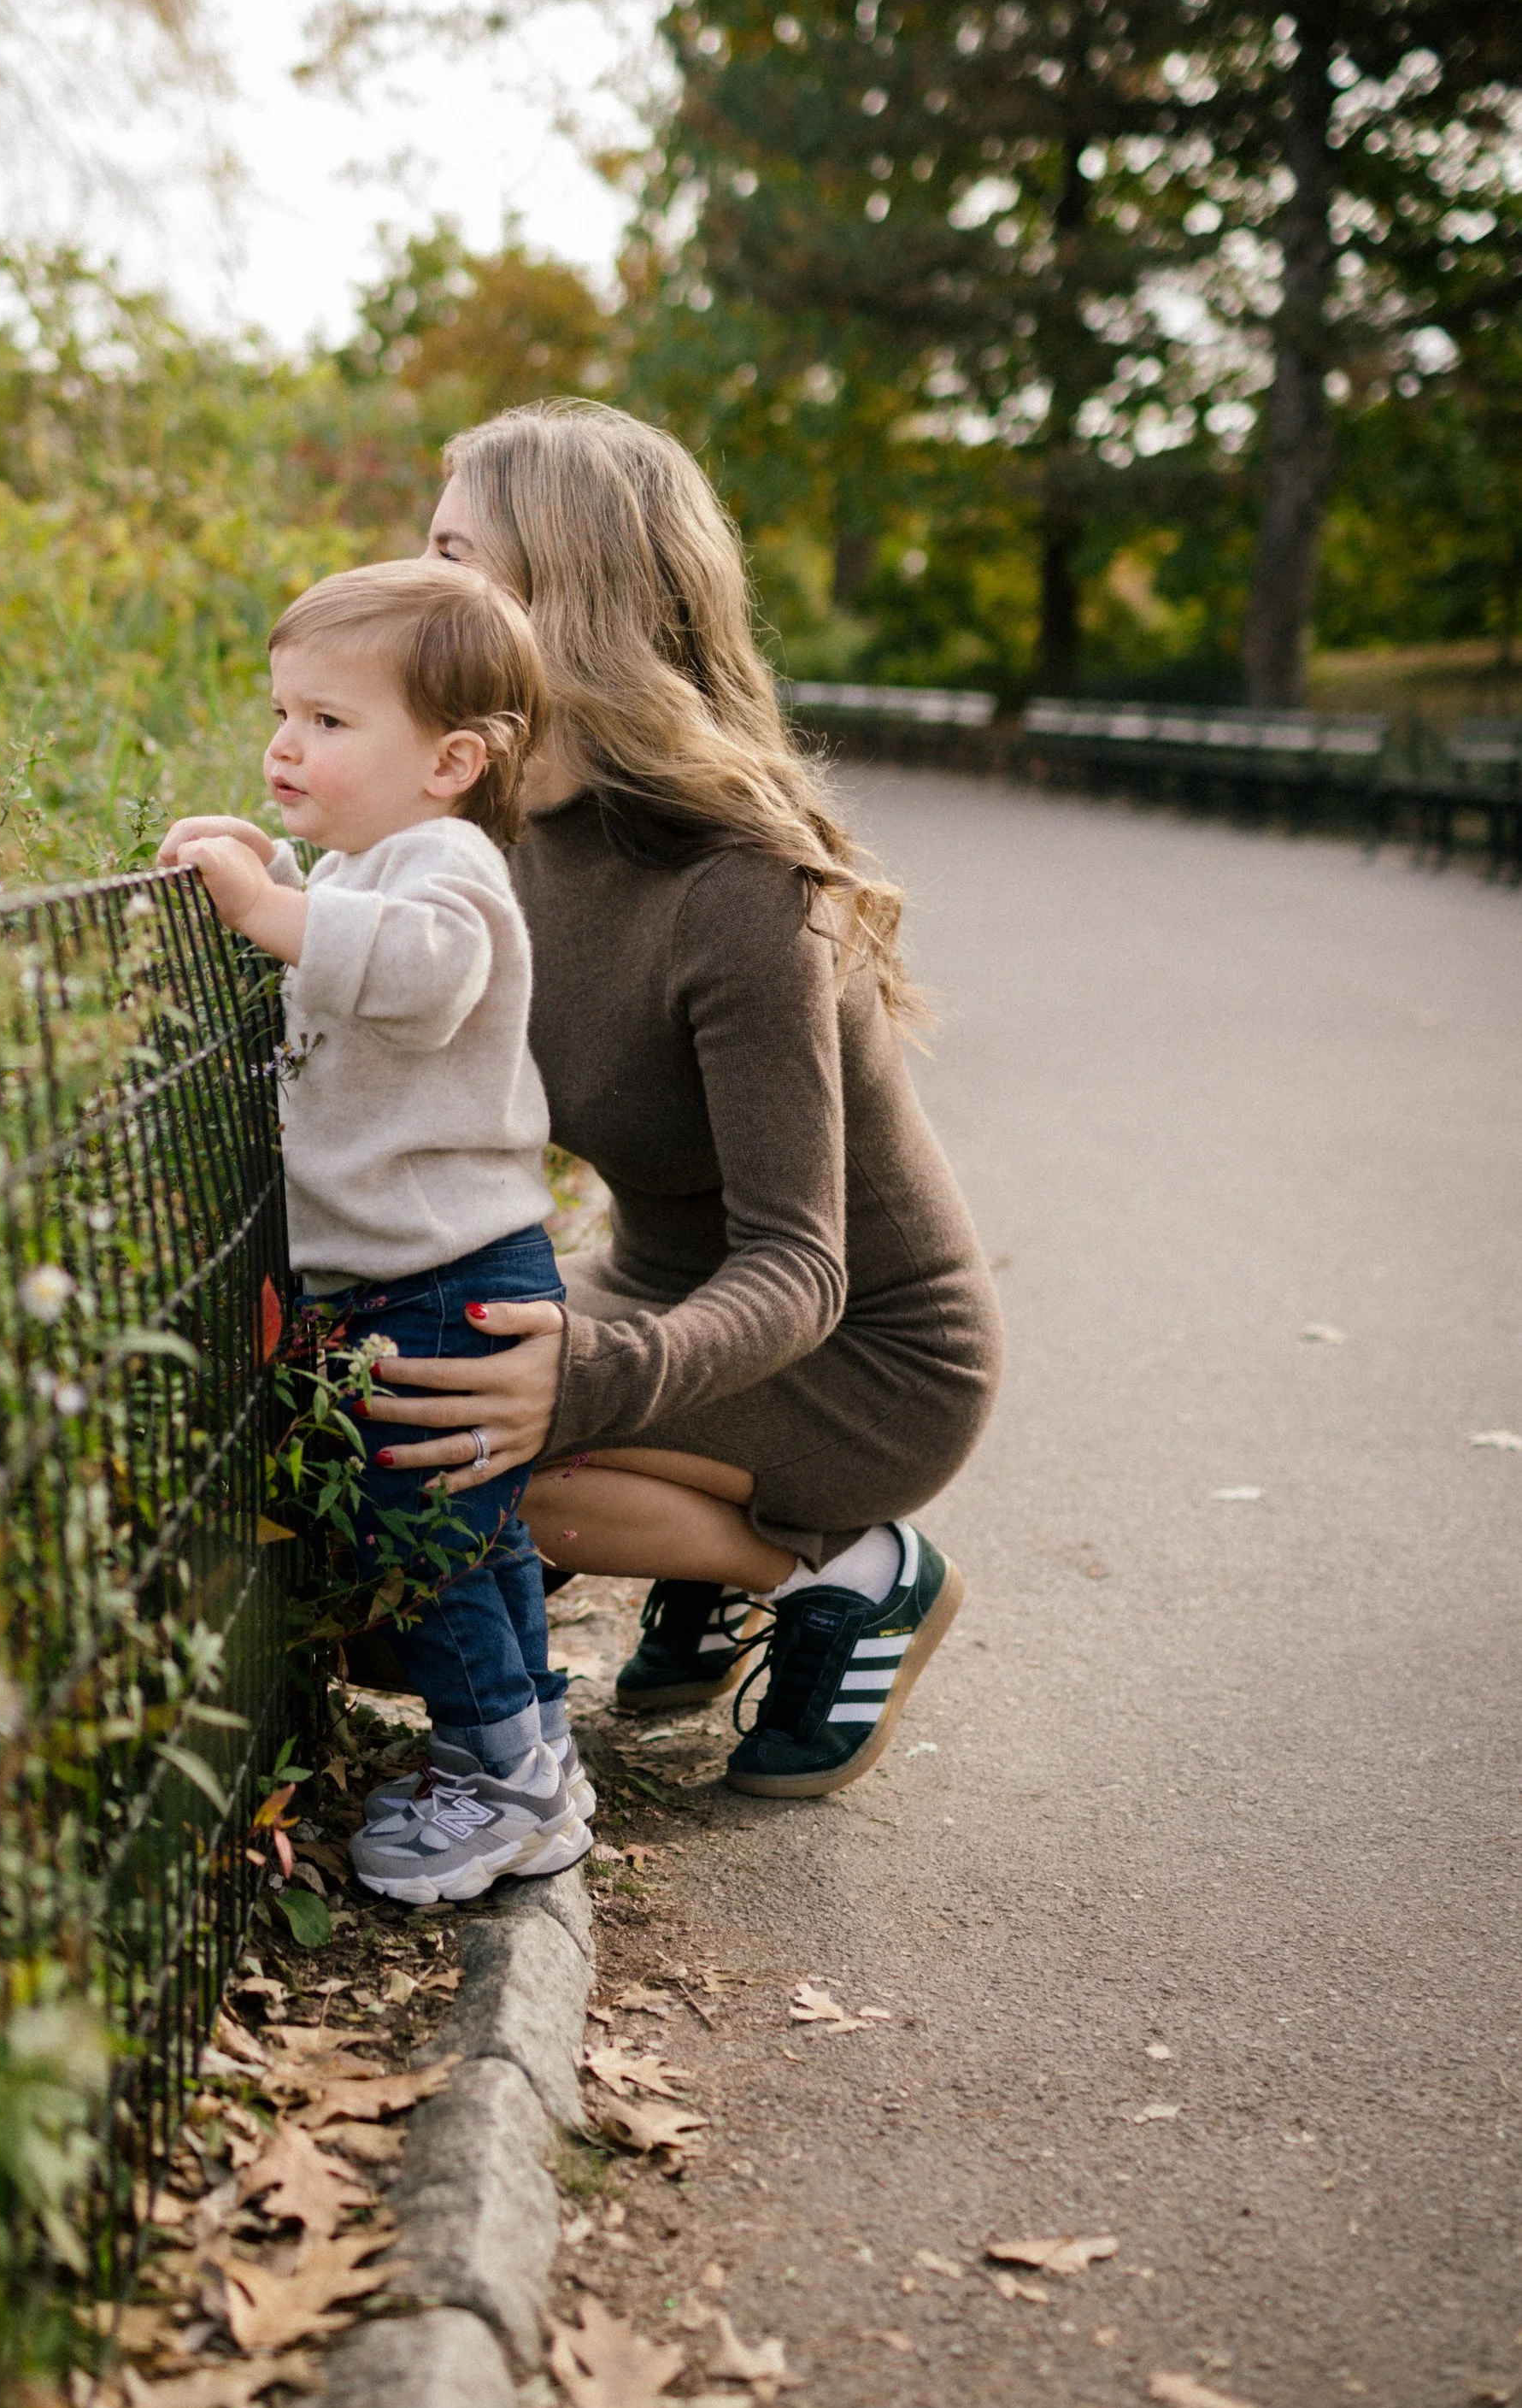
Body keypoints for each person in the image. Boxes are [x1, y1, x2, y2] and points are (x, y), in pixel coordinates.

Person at [354, 403, 1003, 1797]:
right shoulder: (490, 832)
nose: (415, 589)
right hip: (657, 1290)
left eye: (454, 555)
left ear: (565, 593)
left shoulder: (739, 889)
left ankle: (851, 1567)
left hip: (859, 1360)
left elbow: (804, 1265)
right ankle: (710, 1569)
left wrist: (581, 1376)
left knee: (466, 1456)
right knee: (386, 1395)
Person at [156, 557, 594, 1903]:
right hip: (419, 1267)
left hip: (440, 1279)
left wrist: (271, 908)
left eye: (331, 723)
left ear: (452, 760)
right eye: (283, 711)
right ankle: (533, 1754)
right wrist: (273, 870)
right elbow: (353, 947)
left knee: (426, 1533)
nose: (287, 742)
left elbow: (419, 967)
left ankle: (494, 1778)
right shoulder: (389, 856)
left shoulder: (453, 864)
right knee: (477, 1529)